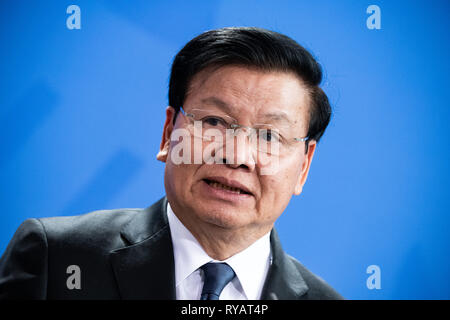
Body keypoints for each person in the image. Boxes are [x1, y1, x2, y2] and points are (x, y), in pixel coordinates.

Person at [0, 27, 343, 300]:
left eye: (269, 136)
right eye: (213, 122)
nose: (236, 156)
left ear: (303, 167)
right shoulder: (57, 258)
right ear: (168, 133)